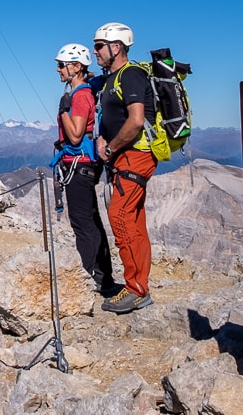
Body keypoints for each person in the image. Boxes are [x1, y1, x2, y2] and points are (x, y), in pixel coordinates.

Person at [93, 22, 156, 314]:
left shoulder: (130, 75)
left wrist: (110, 147)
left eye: (99, 46)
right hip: (124, 156)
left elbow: (135, 120)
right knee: (134, 220)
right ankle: (139, 284)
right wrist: (104, 137)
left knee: (118, 215)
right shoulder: (111, 79)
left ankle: (136, 290)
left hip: (135, 155)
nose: (95, 52)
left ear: (115, 47)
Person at [50, 43, 118, 297]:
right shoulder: (84, 90)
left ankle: (92, 279)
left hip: (78, 165)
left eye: (61, 65)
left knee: (83, 224)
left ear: (76, 66)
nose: (57, 70)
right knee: (91, 222)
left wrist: (64, 110)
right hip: (82, 166)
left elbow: (76, 135)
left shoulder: (79, 96)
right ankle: (104, 278)